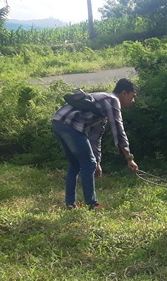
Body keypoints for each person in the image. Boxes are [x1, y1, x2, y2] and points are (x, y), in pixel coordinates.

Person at [51, 78, 140, 210]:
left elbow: (95, 137)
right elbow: (118, 131)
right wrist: (129, 158)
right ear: (124, 93)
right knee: (88, 163)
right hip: (70, 125)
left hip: (58, 122)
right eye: (133, 96)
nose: (133, 101)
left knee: (76, 164)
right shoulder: (113, 100)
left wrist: (97, 162)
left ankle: (70, 204)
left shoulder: (103, 105)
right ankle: (91, 204)